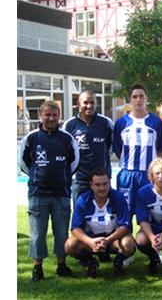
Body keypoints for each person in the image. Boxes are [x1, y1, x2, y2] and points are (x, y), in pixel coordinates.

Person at [19, 100, 79, 282]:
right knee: (37, 233)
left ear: (59, 116)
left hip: (61, 193)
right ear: (41, 115)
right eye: (47, 115)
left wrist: (62, 177)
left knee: (61, 232)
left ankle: (62, 265)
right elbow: (23, 163)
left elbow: (74, 162)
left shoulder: (67, 138)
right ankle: (37, 268)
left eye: (54, 115)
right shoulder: (31, 138)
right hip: (38, 194)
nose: (51, 118)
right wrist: (38, 176)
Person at [64, 168, 135, 278]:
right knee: (69, 245)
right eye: (97, 185)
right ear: (91, 185)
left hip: (112, 240)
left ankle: (118, 263)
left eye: (105, 184)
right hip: (91, 241)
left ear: (109, 183)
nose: (102, 188)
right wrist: (90, 241)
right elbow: (75, 228)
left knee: (128, 243)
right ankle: (90, 263)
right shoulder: (83, 200)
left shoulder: (118, 197)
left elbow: (125, 226)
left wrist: (108, 240)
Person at [113, 84, 162, 222]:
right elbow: (118, 148)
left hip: (148, 176)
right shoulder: (121, 123)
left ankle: (147, 242)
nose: (138, 100)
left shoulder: (156, 122)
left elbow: (159, 149)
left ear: (146, 98)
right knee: (125, 213)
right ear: (130, 100)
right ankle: (126, 242)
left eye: (141, 96)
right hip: (127, 175)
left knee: (148, 214)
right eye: (134, 97)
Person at [63, 90, 113, 205]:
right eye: (85, 102)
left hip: (102, 180)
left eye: (92, 102)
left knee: (103, 216)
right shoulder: (69, 125)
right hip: (79, 181)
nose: (89, 106)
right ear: (78, 104)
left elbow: (111, 148)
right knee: (80, 216)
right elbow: (66, 152)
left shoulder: (106, 123)